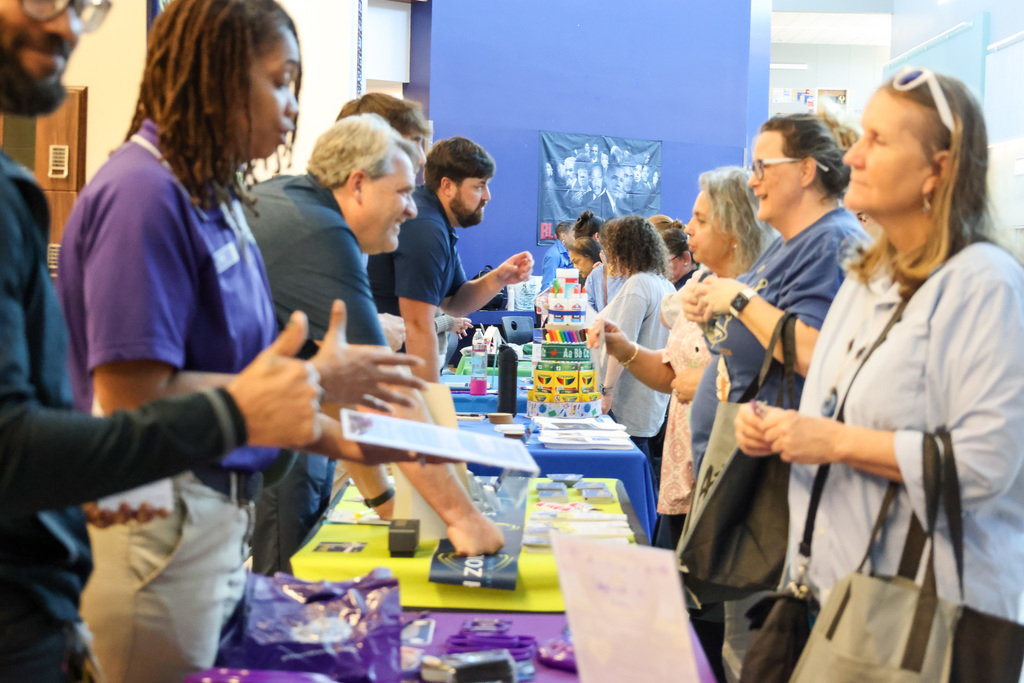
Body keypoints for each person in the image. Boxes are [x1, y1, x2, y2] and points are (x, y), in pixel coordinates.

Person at [0, 1, 420, 679]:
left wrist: (322, 424)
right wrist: (312, 384)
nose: (292, 106)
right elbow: (132, 391)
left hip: (214, 520)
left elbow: (240, 376)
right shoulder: (143, 192)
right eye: (280, 81)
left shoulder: (215, 194)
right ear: (221, 76)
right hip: (156, 525)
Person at [737, 68, 1024, 625]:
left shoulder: (984, 284)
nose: (853, 157)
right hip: (834, 596)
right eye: (860, 136)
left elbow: (987, 463)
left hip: (919, 622)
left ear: (937, 169)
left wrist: (835, 441)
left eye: (878, 140)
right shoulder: (869, 277)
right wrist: (778, 428)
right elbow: (840, 404)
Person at [247, 114, 504, 572]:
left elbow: (349, 395)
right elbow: (387, 394)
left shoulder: (296, 202)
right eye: (404, 193)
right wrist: (464, 518)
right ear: (359, 184)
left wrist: (383, 500)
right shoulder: (323, 234)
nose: (411, 210)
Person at [681, 113, 866, 680]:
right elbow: (753, 341)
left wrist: (735, 301)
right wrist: (715, 314)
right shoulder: (790, 245)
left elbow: (812, 349)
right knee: (740, 635)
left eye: (764, 166)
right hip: (751, 457)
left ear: (807, 170)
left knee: (755, 643)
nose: (754, 179)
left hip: (780, 471)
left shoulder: (832, 242)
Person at [589, 168, 773, 553]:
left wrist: (707, 383)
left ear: (735, 228)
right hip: (682, 472)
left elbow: (773, 376)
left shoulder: (763, 293)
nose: (688, 228)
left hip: (728, 483)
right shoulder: (701, 283)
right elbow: (671, 372)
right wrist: (625, 349)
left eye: (701, 220)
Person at [368, 136, 534, 383]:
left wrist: (499, 277)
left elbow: (455, 303)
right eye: (479, 186)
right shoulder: (426, 227)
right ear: (448, 186)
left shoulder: (439, 224)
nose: (487, 196)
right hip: (386, 371)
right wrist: (433, 407)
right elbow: (418, 327)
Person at [588, 215, 675, 460]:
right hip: (646, 398)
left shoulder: (638, 285)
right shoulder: (662, 284)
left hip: (627, 401)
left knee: (632, 466)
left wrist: (607, 391)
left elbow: (622, 345)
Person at [540, 220, 574, 291]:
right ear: (563, 236)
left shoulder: (569, 253)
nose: (576, 239)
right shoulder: (553, 255)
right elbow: (547, 286)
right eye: (574, 236)